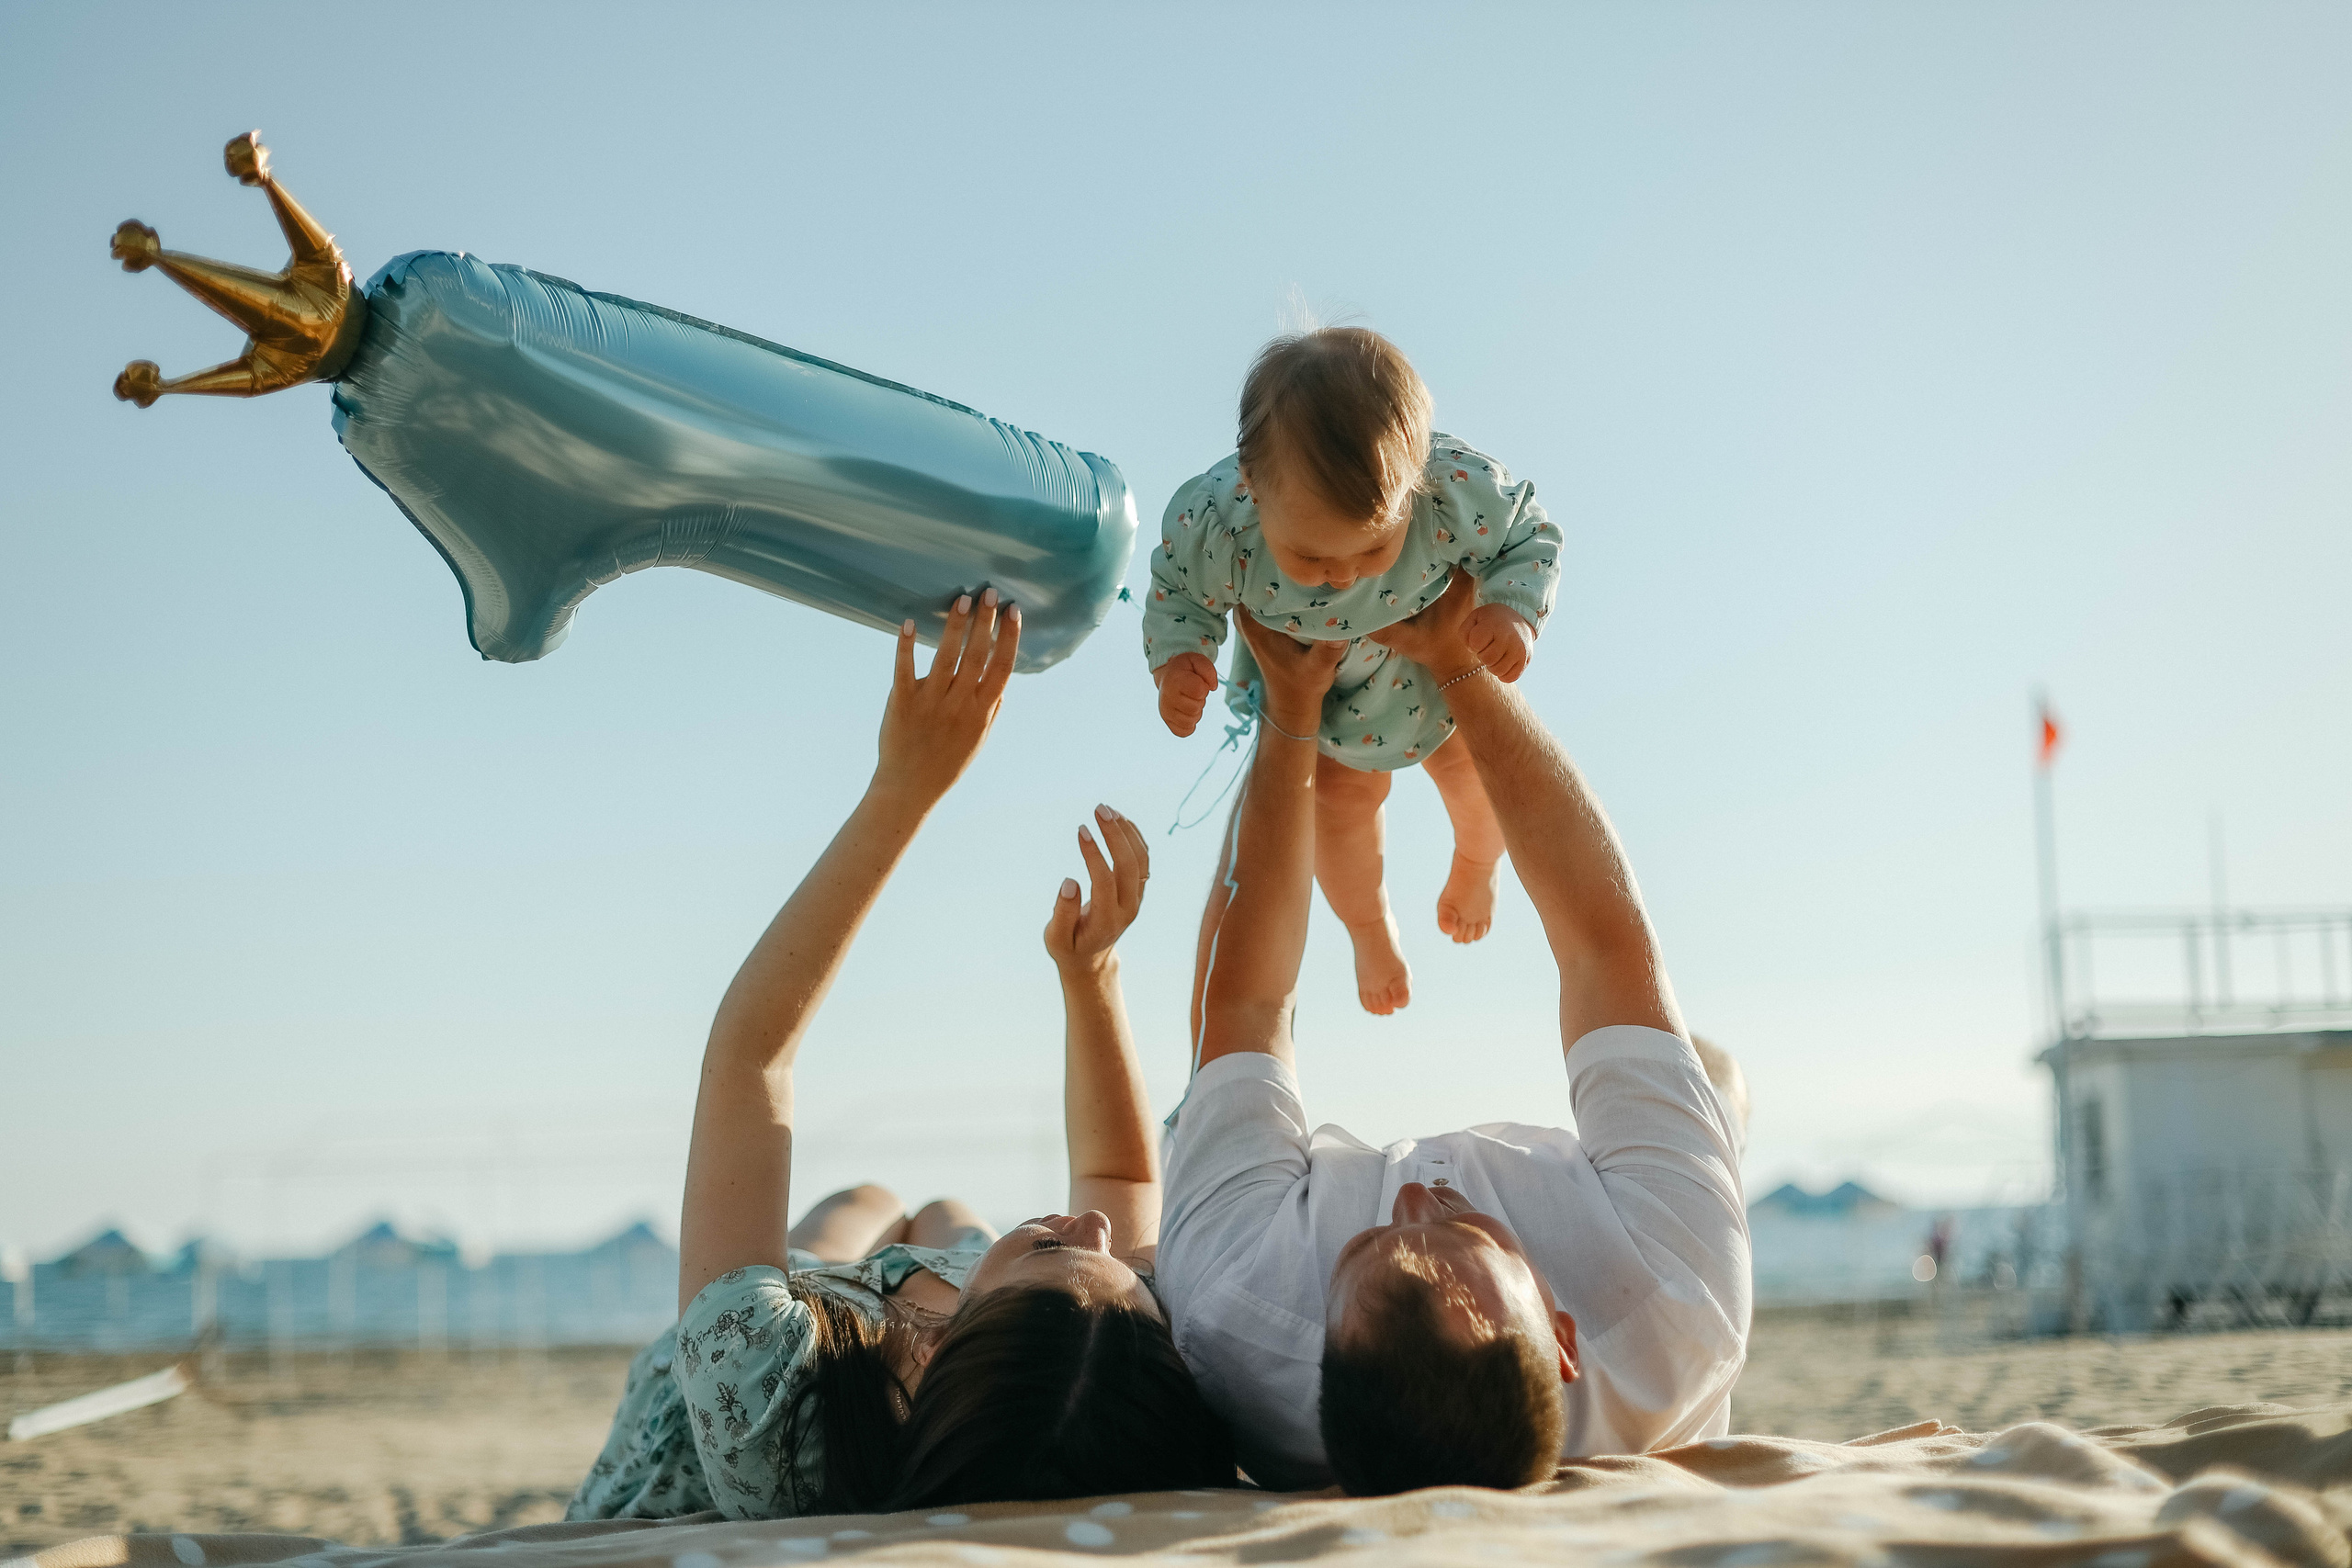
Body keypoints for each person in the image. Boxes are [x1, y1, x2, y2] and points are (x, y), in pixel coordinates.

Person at [569, 592, 1231, 1522]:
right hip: (908, 1311)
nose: (1091, 1226)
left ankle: (889, 1232)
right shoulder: (1094, 1360)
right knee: (952, 1220)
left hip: (708, 1380)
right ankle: (932, 1240)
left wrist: (905, 787)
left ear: (929, 1346)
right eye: (1112, 1260)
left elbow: (751, 1059)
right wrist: (1093, 975)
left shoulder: (769, 1393)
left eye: (1051, 1245)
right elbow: (1119, 1177)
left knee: (866, 1205)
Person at [1154, 579, 1751, 1495]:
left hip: (1262, 1251)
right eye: (1466, 1232)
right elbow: (1603, 945)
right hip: (1628, 1235)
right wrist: (1458, 664)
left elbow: (1243, 1008)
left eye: (1370, 1244)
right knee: (1712, 1076)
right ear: (1561, 1338)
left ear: (1318, 1354)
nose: (1421, 1198)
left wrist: (1289, 713)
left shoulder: (1239, 1314)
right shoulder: (1677, 1304)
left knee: (1212, 1066)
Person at [1141, 327, 1565, 1016]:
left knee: (1479, 779)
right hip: (1333, 699)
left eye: (1373, 548)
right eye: (1308, 557)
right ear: (1253, 488)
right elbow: (1179, 588)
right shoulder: (1219, 523)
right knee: (1336, 816)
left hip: (1435, 677)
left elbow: (1527, 534)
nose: (1339, 575)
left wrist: (1514, 609)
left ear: (1415, 482)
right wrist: (1180, 659)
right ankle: (1370, 929)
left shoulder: (1450, 488)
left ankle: (1478, 864)